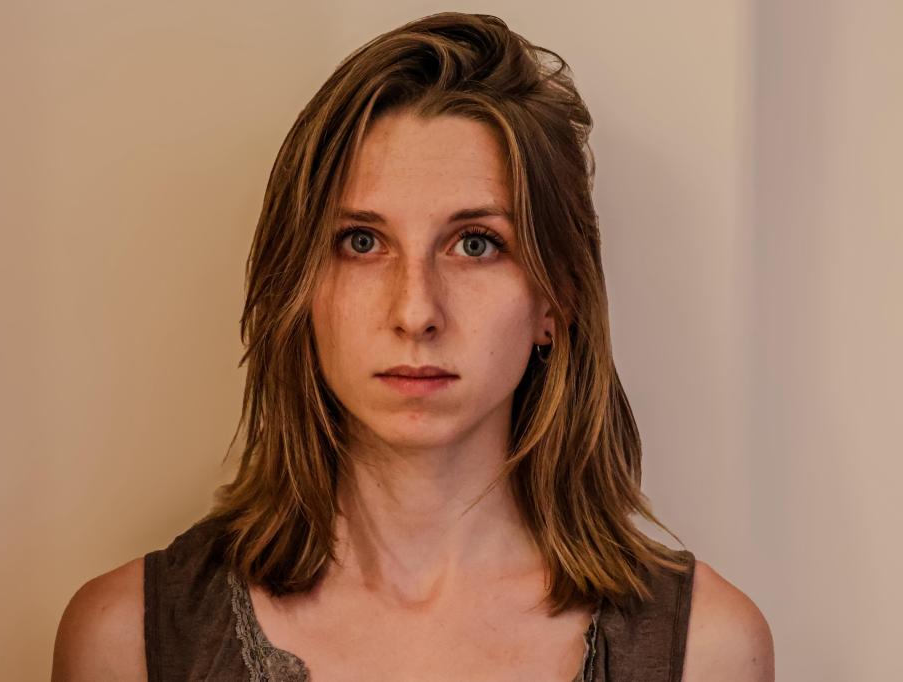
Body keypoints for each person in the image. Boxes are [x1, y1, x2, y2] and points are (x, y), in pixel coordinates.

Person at [51, 12, 774, 681]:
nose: (416, 311)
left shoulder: (706, 650)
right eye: (361, 242)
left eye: (476, 243)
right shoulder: (125, 641)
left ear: (555, 300)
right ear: (297, 288)